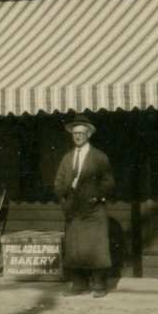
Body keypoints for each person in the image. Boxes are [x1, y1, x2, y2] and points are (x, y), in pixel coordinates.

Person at [53, 116, 113, 297]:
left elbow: (108, 182)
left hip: (94, 211)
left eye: (81, 133)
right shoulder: (67, 158)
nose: (77, 136)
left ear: (88, 135)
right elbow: (58, 183)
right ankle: (79, 285)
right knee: (75, 249)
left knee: (96, 249)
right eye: (75, 133)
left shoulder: (99, 157)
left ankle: (99, 286)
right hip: (74, 211)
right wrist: (65, 201)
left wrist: (96, 197)